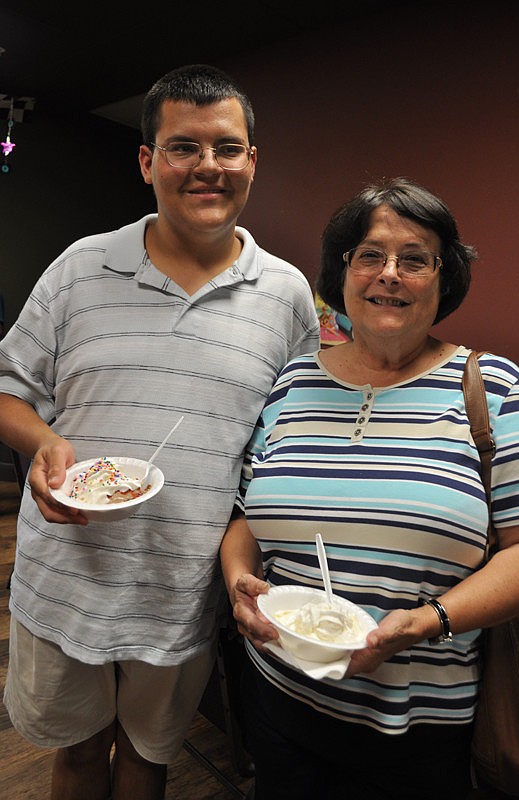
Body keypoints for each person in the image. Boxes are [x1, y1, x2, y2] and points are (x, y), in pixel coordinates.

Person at [0, 64, 319, 800]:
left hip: (180, 584)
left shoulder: (286, 293)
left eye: (226, 148)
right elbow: (9, 389)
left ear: (250, 161)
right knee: (79, 756)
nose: (207, 167)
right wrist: (42, 445)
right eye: (183, 147)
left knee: (149, 759)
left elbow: (288, 434)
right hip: (66, 575)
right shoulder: (80, 267)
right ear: (147, 161)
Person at [220, 177, 519, 800]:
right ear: (343, 274)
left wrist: (423, 622)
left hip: (420, 726)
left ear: (445, 280)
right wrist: (238, 582)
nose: (389, 274)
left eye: (414, 259)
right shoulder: (290, 384)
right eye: (369, 255)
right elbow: (244, 518)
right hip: (279, 696)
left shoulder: (496, 389)